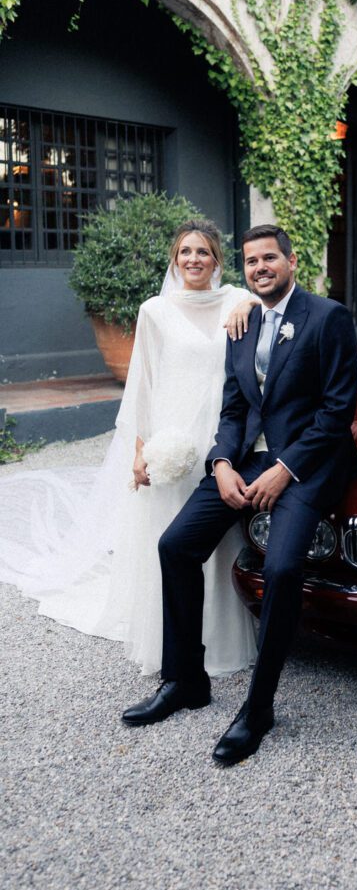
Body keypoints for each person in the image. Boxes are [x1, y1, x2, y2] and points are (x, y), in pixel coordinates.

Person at [122, 224, 357, 766]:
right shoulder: (243, 320)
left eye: (269, 259)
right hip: (245, 461)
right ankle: (185, 680)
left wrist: (284, 470)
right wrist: (223, 463)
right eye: (252, 261)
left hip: (307, 465)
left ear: (292, 262)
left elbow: (335, 413)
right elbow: (235, 409)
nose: (260, 268)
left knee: (279, 569)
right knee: (175, 545)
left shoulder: (328, 317)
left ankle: (258, 708)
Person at [0, 219, 259, 678]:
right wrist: (143, 452)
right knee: (172, 536)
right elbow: (144, 385)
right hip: (174, 437)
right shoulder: (155, 310)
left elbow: (275, 302)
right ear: (174, 259)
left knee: (218, 539)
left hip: (221, 436)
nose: (193, 260)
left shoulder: (238, 302)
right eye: (185, 252)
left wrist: (252, 301)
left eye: (202, 252)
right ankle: (175, 644)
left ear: (217, 260)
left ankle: (221, 638)